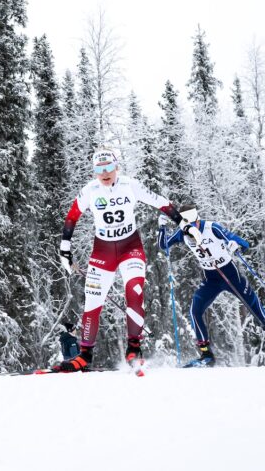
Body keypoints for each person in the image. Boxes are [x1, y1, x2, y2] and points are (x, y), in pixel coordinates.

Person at [53, 147, 196, 373]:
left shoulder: (130, 185)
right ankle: (84, 355)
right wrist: (65, 248)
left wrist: (182, 223)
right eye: (99, 169)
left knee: (134, 291)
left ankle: (134, 349)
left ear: (117, 167)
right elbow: (71, 217)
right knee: (92, 302)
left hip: (131, 247)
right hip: (103, 252)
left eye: (109, 167)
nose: (105, 173)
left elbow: (161, 202)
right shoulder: (90, 190)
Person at [159, 205, 265, 367]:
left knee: (257, 312)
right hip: (211, 279)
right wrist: (162, 228)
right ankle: (206, 354)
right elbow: (164, 245)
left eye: (193, 225)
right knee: (195, 310)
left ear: (198, 219)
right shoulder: (183, 232)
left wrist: (234, 244)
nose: (191, 230)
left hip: (231, 276)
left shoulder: (212, 227)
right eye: (187, 227)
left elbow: (241, 242)